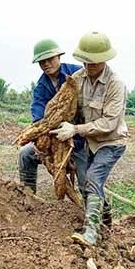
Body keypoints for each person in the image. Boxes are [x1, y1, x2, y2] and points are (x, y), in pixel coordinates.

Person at [50, 31, 128, 246]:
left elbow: (109, 124)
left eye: (94, 62)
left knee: (93, 177)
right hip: (88, 142)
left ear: (105, 59)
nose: (90, 65)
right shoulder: (76, 79)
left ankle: (91, 234)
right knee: (86, 183)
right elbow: (64, 106)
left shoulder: (115, 85)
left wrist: (74, 130)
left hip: (111, 142)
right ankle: (106, 222)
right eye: (86, 61)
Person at [18, 39, 86, 195]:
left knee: (87, 181)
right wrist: (41, 132)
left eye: (50, 59)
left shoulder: (77, 73)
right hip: (52, 136)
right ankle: (29, 196)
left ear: (59, 57)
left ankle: (102, 213)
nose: (46, 64)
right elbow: (38, 115)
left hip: (79, 137)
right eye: (42, 61)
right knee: (25, 154)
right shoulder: (41, 87)